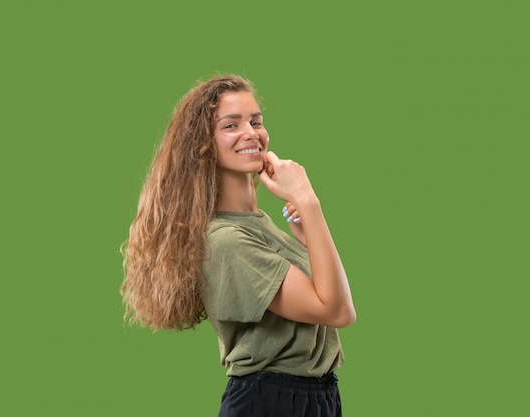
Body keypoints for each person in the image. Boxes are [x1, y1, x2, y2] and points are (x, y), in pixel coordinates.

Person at [121, 74, 356, 417]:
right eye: (231, 125)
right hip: (272, 400)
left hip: (315, 396)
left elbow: (334, 302)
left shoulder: (260, 224)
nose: (251, 133)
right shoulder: (227, 241)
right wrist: (308, 200)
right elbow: (338, 312)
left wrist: (307, 234)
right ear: (203, 144)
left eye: (256, 121)